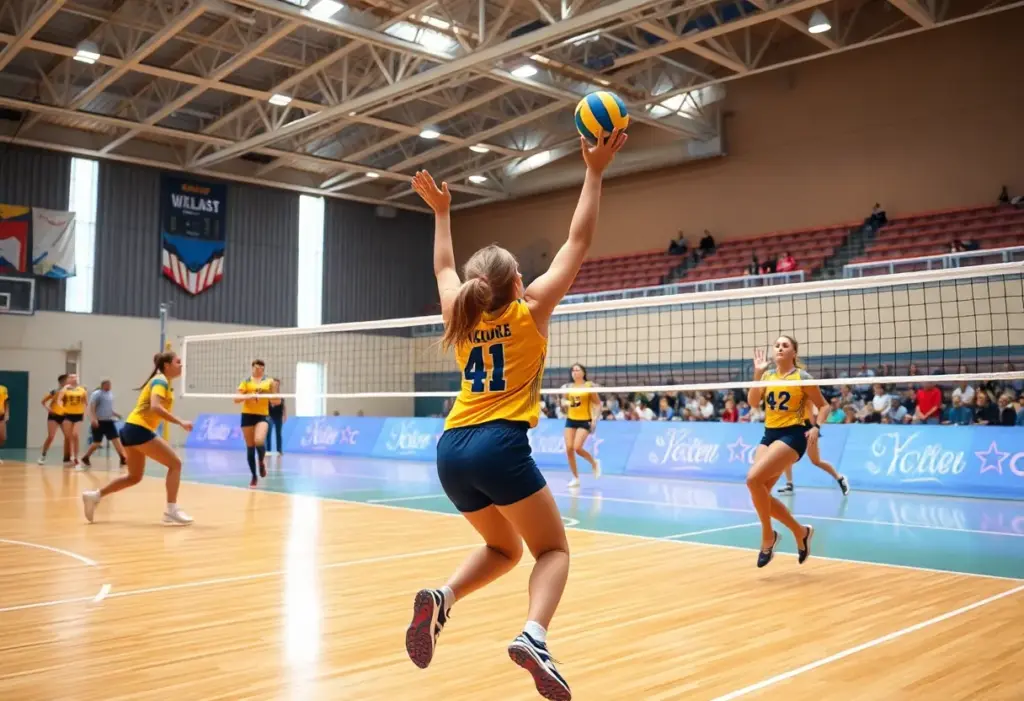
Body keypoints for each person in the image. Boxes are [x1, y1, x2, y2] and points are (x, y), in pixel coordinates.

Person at [403, 130, 626, 701]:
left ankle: (443, 599)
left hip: (450, 449)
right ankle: (534, 635)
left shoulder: (458, 313)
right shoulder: (532, 312)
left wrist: (443, 213)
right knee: (552, 550)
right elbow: (579, 238)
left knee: (504, 549)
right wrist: (594, 171)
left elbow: (442, 265)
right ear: (518, 282)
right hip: (499, 445)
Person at [81, 352, 193, 525]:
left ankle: (95, 496)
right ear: (167, 365)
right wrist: (181, 422)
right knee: (175, 464)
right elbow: (156, 407)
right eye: (178, 362)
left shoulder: (163, 382)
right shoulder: (160, 381)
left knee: (134, 477)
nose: (182, 365)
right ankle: (171, 510)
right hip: (138, 429)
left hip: (130, 429)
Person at [746, 336, 828, 568]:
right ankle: (800, 532)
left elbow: (824, 405)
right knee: (758, 490)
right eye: (777, 345)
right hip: (769, 433)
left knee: (753, 479)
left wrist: (816, 427)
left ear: (794, 352)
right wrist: (757, 373)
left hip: (793, 434)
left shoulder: (802, 377)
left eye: (785, 345)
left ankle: (767, 537)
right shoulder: (768, 376)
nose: (780, 348)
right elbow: (753, 403)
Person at [777, 403, 850, 496]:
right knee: (786, 457)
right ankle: (789, 484)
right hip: (793, 430)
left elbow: (816, 413)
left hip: (808, 431)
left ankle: (840, 478)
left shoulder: (808, 398)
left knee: (816, 461)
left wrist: (815, 428)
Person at [235, 360, 276, 487]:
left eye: (261, 368)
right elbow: (236, 399)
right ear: (252, 368)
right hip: (247, 416)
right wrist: (249, 396)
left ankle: (261, 461)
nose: (259, 370)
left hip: (262, 416)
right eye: (256, 368)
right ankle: (254, 476)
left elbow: (276, 400)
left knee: (259, 440)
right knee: (250, 447)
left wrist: (267, 394)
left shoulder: (269, 382)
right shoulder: (246, 382)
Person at [562, 363, 601, 488]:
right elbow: (563, 402)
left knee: (577, 447)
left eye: (577, 370)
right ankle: (576, 478)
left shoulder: (589, 386)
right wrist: (564, 403)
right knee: (569, 448)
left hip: (585, 420)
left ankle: (594, 463)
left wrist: (595, 419)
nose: (574, 372)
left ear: (583, 372)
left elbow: (598, 403)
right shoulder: (568, 387)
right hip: (571, 420)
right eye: (573, 370)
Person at [81, 379, 127, 468]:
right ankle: (86, 457)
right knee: (97, 442)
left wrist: (116, 414)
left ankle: (122, 458)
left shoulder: (110, 394)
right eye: (108, 385)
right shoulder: (97, 394)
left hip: (109, 421)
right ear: (104, 385)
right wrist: (94, 419)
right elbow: (92, 407)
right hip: (99, 422)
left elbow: (108, 408)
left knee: (116, 439)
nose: (110, 386)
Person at [38, 374, 71, 465]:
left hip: (64, 416)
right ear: (62, 382)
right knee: (51, 436)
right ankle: (43, 455)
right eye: (68, 380)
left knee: (68, 437)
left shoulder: (71, 392)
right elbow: (43, 401)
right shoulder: (55, 391)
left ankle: (67, 458)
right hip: (54, 416)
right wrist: (48, 409)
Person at [56, 374, 88, 467]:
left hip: (78, 415)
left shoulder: (82, 390)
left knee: (75, 435)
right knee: (68, 436)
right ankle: (68, 456)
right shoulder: (65, 389)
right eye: (71, 377)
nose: (74, 378)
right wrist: (62, 407)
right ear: (68, 379)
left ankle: (76, 457)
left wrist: (85, 412)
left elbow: (86, 402)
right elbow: (59, 399)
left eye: (75, 377)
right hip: (68, 414)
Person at [266, 377, 286, 456]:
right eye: (274, 383)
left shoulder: (281, 395)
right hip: (269, 416)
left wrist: (285, 415)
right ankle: (268, 450)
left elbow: (282, 405)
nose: (276, 385)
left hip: (278, 416)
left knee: (279, 434)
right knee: (268, 434)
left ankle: (279, 450)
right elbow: (272, 402)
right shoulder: (268, 394)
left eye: (277, 383)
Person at [0, 381, 7, 464]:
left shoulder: (3, 388)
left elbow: (6, 402)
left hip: (1, 416)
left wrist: (7, 413)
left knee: (3, 437)